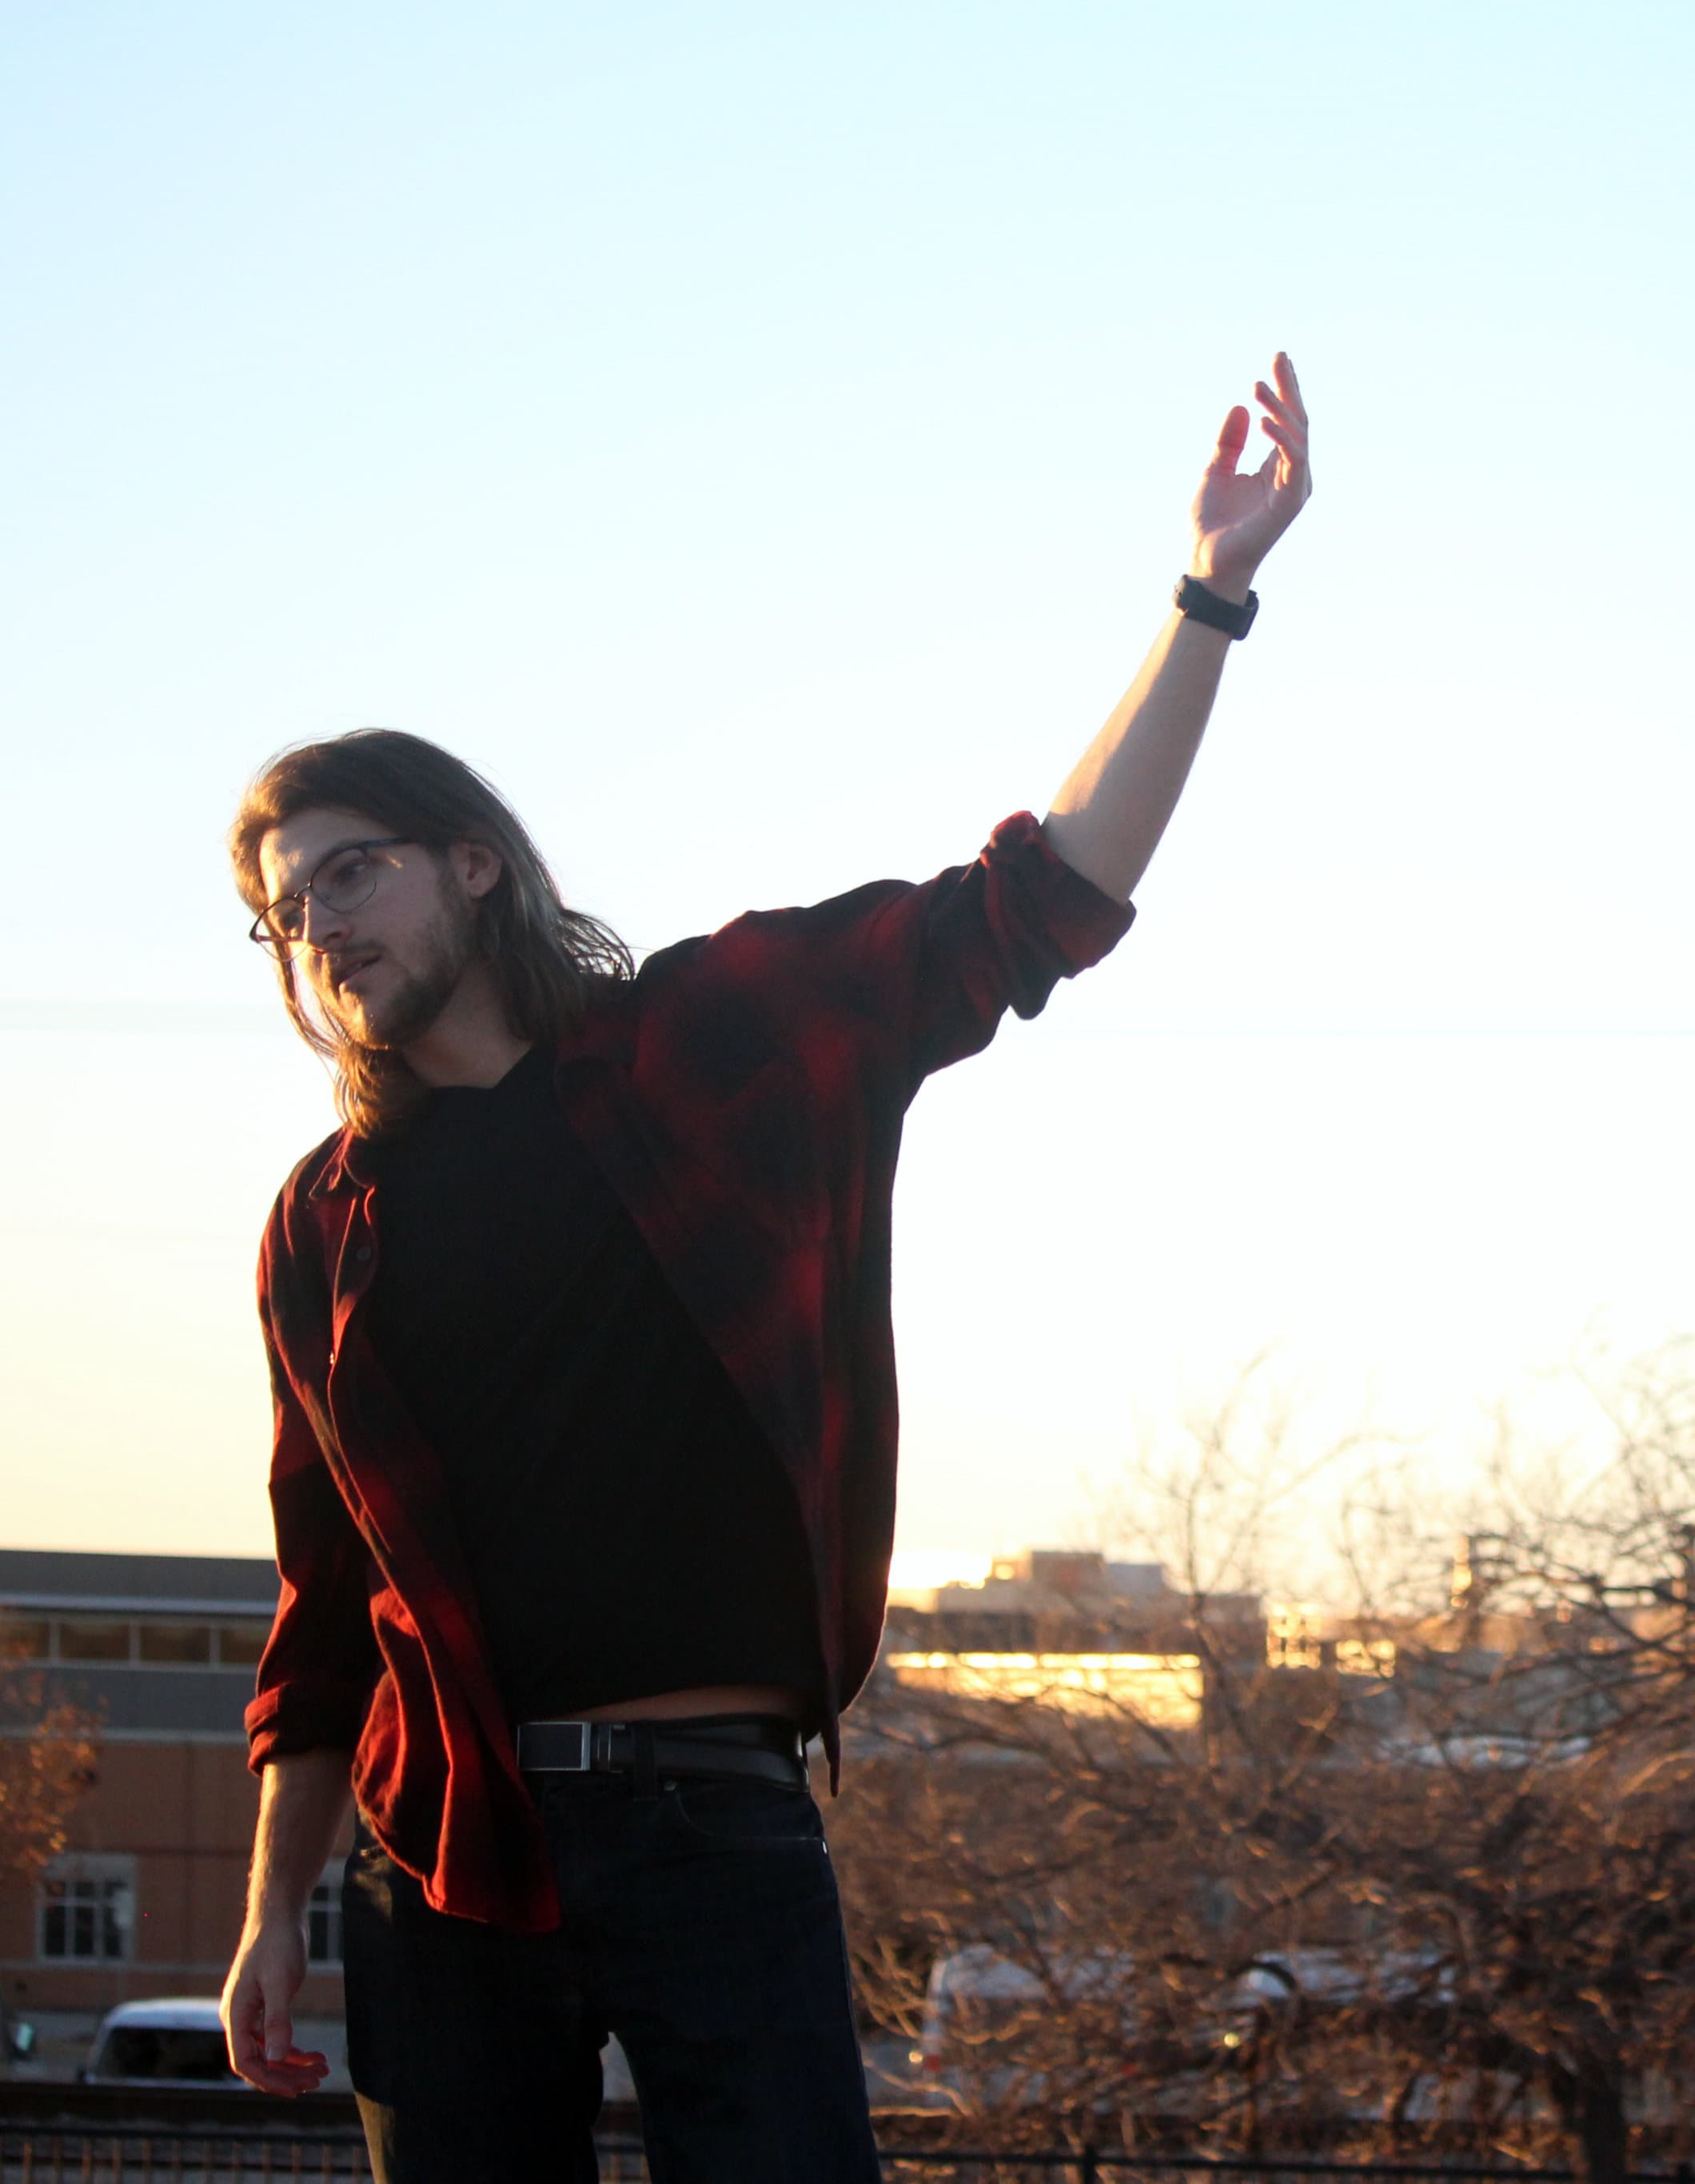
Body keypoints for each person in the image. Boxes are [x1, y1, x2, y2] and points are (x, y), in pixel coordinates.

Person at [216, 358, 1311, 2181]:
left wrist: (1207, 595)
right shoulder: (324, 1221)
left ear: (472, 865)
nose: (315, 923)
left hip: (714, 1830)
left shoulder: (706, 1045)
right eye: (281, 909)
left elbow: (1039, 900)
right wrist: (271, 1909)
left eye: (350, 871)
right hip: (446, 1863)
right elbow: (320, 1611)